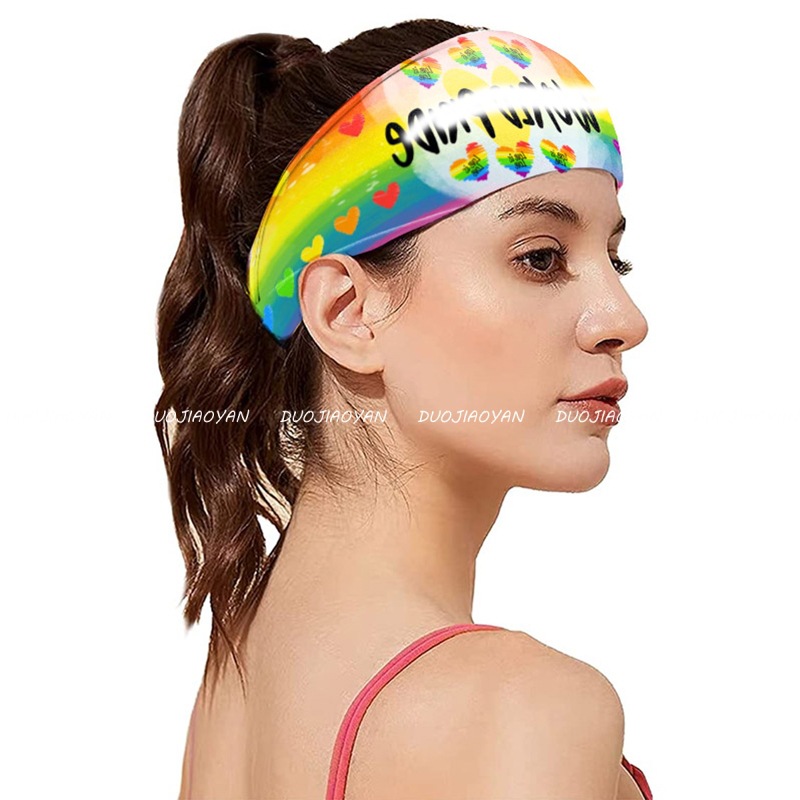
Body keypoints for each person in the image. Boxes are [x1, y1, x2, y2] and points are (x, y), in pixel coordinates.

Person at [155, 18, 652, 799]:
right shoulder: (523, 712)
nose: (624, 318)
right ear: (348, 313)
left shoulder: (237, 674)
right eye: (542, 258)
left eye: (614, 258)